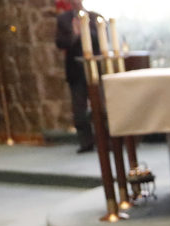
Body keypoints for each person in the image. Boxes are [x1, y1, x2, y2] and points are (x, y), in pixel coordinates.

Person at [54, 0, 96, 153]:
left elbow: (101, 40)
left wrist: (85, 31)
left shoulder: (94, 17)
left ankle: (107, 141)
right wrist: (74, 34)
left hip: (95, 70)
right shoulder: (63, 19)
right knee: (79, 110)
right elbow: (59, 43)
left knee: (101, 107)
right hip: (76, 71)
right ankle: (86, 142)